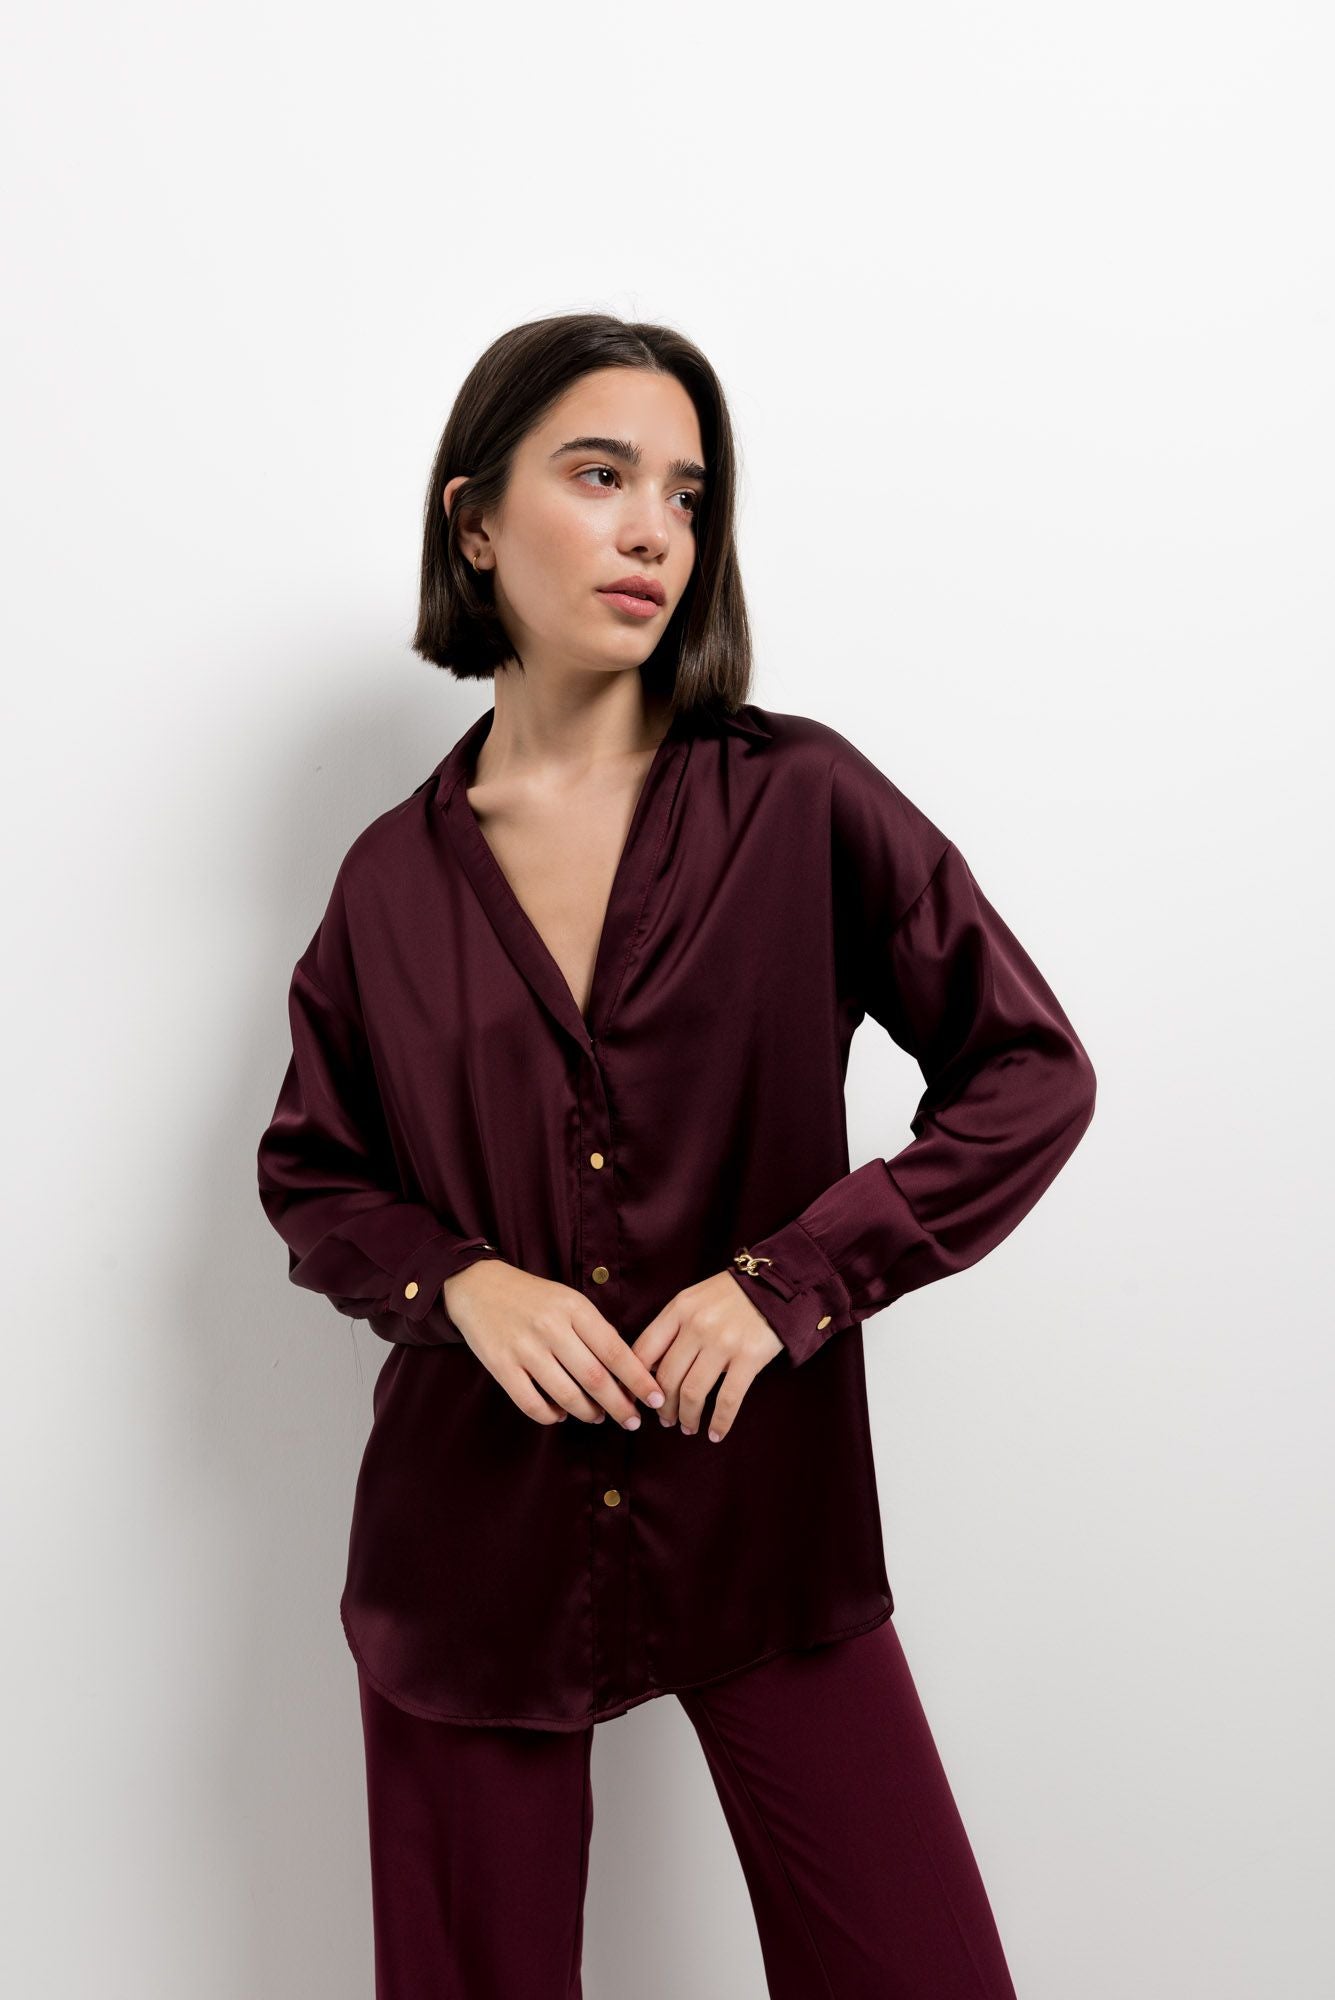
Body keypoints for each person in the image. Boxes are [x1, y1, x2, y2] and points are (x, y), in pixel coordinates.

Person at [256, 312, 1097, 1998]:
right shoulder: (388, 884)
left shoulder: (803, 804)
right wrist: (461, 1283)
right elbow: (314, 1176)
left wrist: (797, 1279)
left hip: (764, 1520)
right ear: (473, 520)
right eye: (600, 475)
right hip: (465, 1560)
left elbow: (1028, 1073)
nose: (653, 529)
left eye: (687, 495)